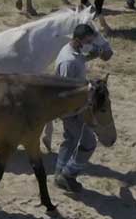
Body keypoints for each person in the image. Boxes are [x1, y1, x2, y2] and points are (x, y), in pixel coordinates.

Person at [54, 24, 105, 193]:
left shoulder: (73, 52)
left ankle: (58, 174)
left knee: (70, 140)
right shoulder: (68, 62)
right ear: (77, 40)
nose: (90, 43)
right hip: (72, 111)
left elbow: (79, 59)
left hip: (75, 108)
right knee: (89, 143)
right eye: (88, 41)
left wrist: (91, 55)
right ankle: (68, 174)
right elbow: (65, 91)